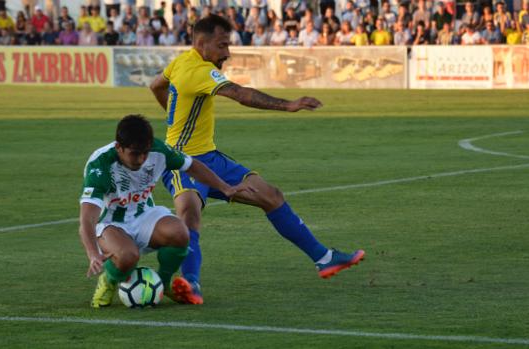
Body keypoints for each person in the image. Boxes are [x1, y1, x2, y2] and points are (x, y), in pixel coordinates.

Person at [149, 14, 365, 304]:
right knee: (189, 214)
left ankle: (324, 258)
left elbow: (155, 85)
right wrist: (288, 105)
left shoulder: (181, 62)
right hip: (180, 160)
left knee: (271, 195)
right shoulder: (198, 71)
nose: (227, 53)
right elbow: (241, 94)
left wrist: (174, 115)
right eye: (223, 45)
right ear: (201, 43)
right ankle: (190, 284)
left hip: (210, 158)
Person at [81, 115, 252, 308]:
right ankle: (109, 280)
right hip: (111, 223)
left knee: (180, 232)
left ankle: (163, 283)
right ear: (119, 147)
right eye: (135, 153)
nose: (142, 159)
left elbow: (192, 165)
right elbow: (87, 218)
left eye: (145, 153)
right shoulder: (101, 164)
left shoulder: (158, 150)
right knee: (129, 256)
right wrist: (93, 254)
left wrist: (225, 187)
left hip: (143, 214)